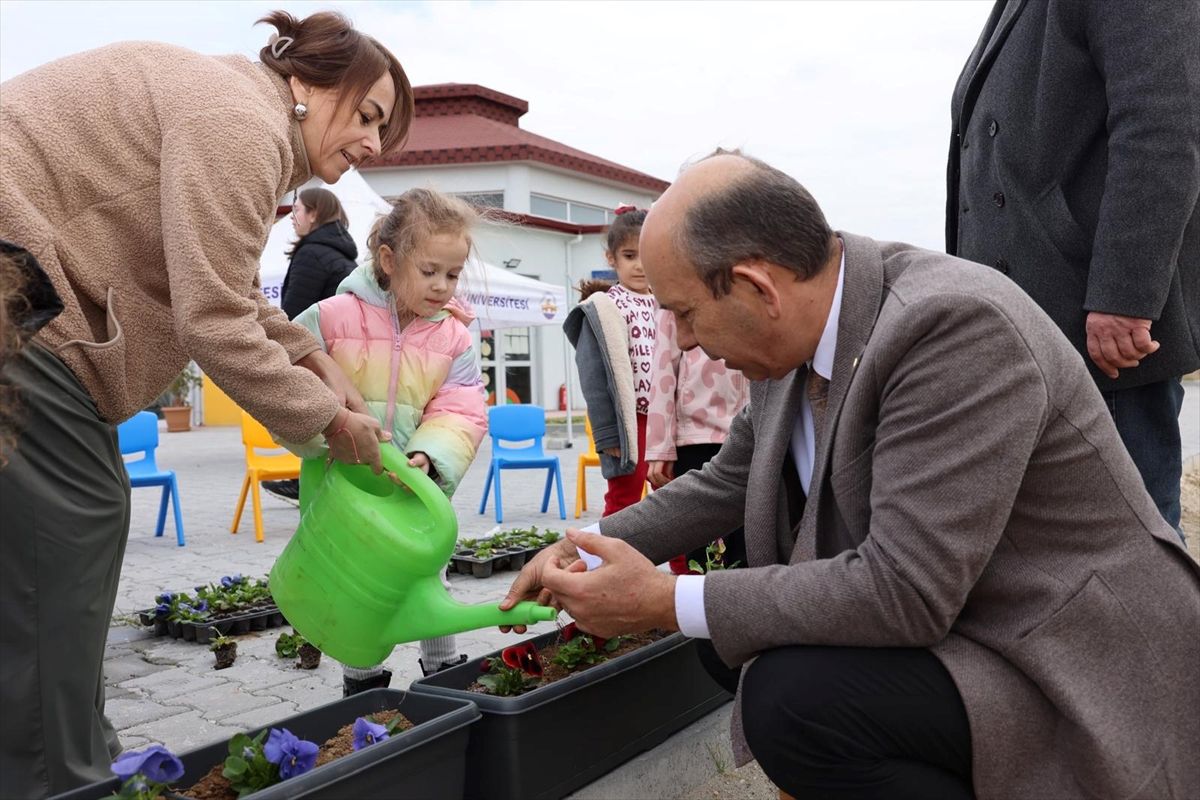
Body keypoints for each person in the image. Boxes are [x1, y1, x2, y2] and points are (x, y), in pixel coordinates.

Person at [501, 151, 1200, 798]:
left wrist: (663, 599)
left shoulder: (952, 329)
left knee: (793, 701)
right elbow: (728, 480)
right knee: (732, 649)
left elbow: (904, 591)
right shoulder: (791, 339)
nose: (682, 339)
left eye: (684, 313)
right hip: (969, 617)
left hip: (1060, 652)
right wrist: (585, 542)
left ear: (754, 286)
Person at [0, 11, 414, 797]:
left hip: (19, 291)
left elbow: (227, 295)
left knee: (35, 555)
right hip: (15, 294)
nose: (371, 146)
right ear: (306, 81)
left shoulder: (234, 108)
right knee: (73, 518)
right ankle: (60, 777)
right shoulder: (237, 121)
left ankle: (67, 757)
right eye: (367, 115)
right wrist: (330, 423)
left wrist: (316, 359)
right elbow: (214, 319)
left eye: (383, 135)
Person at [947, 0, 1200, 536]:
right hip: (1027, 324)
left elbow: (1161, 127)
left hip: (1092, 329)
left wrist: (1123, 297)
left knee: (1129, 544)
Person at [289, 187, 488, 693]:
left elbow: (461, 404)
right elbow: (291, 382)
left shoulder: (454, 337)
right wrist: (326, 432)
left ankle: (444, 674)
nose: (443, 286)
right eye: (429, 272)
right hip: (347, 485)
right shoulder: (332, 316)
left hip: (416, 486)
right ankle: (363, 684)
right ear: (388, 259)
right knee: (355, 585)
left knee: (429, 572)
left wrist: (430, 454)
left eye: (453, 274)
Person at [264, 187, 360, 503]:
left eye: (298, 211)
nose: (293, 218)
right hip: (345, 354)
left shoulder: (312, 254)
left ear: (315, 213)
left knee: (317, 422)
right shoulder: (343, 253)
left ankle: (308, 483)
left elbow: (294, 315)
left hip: (318, 353)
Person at [563, 206, 657, 516]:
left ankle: (684, 567)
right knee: (624, 499)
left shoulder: (667, 301)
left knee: (675, 499)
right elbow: (593, 376)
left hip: (667, 419)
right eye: (630, 256)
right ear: (611, 258)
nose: (640, 265)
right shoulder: (604, 307)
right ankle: (606, 560)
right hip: (631, 421)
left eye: (647, 254)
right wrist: (607, 434)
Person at [644, 308, 749, 575]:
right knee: (699, 549)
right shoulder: (675, 293)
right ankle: (695, 613)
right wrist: (660, 446)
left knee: (748, 546)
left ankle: (742, 613)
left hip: (752, 430)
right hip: (695, 436)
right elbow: (663, 369)